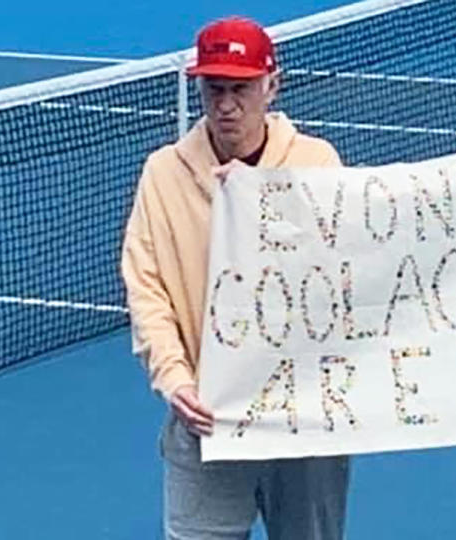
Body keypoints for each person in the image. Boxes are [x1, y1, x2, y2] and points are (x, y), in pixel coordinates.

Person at [121, 17, 349, 539]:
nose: (225, 104)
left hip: (304, 428)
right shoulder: (162, 174)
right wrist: (174, 379)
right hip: (206, 424)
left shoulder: (318, 163)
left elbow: (346, 277)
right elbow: (147, 289)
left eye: (240, 89)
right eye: (213, 88)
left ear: (272, 84)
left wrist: (264, 199)